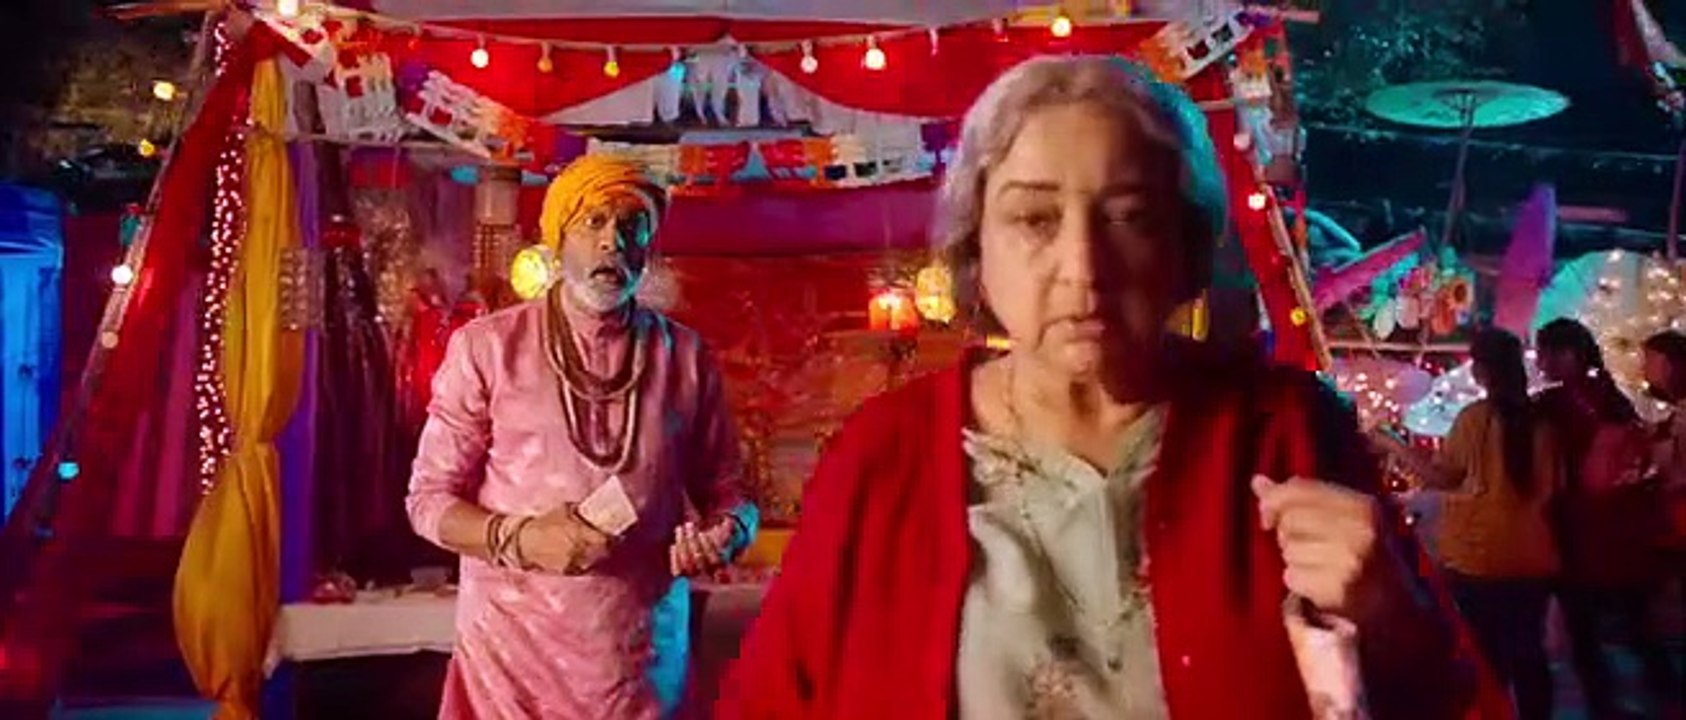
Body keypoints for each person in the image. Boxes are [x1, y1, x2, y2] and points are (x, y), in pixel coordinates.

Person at [719, 55, 1497, 720]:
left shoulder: (1284, 430)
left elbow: (1457, 700)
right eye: (1034, 219)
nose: (1083, 268)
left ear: (1186, 249)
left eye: (1129, 218)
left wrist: (1390, 616)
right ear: (974, 249)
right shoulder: (882, 456)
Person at [406, 154, 758, 719]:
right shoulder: (487, 348)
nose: (612, 242)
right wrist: (519, 539)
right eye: (593, 222)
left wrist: (726, 534)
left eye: (631, 226)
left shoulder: (685, 357)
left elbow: (732, 494)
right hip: (510, 669)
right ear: (558, 238)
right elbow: (427, 502)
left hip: (639, 666)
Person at [1372, 329, 1560, 720]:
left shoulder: (1476, 420)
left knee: (1486, 658)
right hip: (1533, 555)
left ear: (1482, 370)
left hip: (1480, 557)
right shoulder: (1543, 422)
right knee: (1529, 652)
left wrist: (1392, 444)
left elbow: (1442, 477)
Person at [1534, 319, 1675, 718]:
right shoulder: (1612, 396)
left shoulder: (1557, 404)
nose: (1540, 362)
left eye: (1546, 353)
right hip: (1620, 531)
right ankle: (1665, 696)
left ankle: (1604, 706)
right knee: (1636, 624)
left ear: (1569, 354)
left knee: (1584, 633)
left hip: (1580, 532)